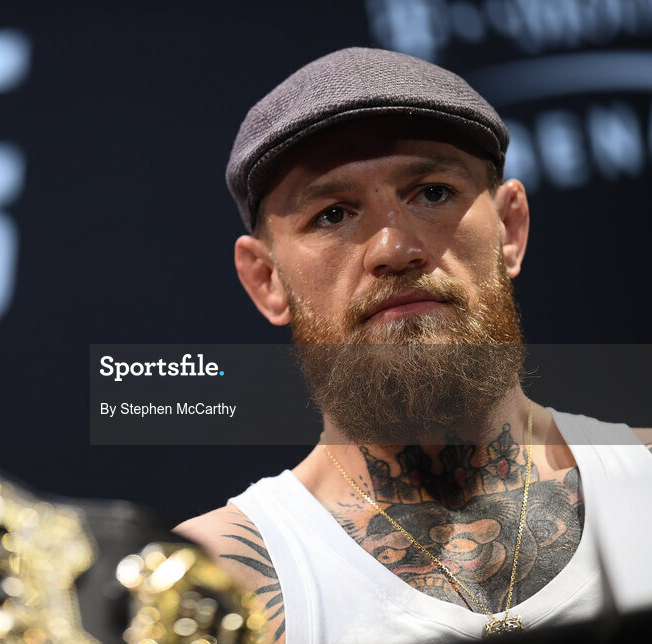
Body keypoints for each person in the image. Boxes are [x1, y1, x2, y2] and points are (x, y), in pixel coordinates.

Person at [174, 47, 652, 643]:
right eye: (332, 214)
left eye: (432, 192)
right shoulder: (209, 584)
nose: (394, 248)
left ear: (511, 228)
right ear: (266, 280)